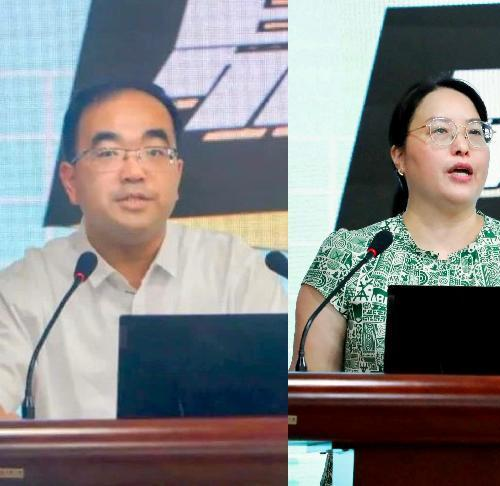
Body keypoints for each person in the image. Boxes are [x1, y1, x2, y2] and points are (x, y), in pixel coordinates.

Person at [0, 81, 287, 419]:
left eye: (154, 152)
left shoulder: (234, 271)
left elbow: (281, 410)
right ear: (70, 181)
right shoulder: (24, 287)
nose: (134, 172)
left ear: (177, 174)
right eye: (108, 153)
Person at [293, 77, 500, 373]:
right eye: (440, 131)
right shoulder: (348, 257)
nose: (462, 146)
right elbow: (311, 394)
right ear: (399, 157)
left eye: (475, 132)